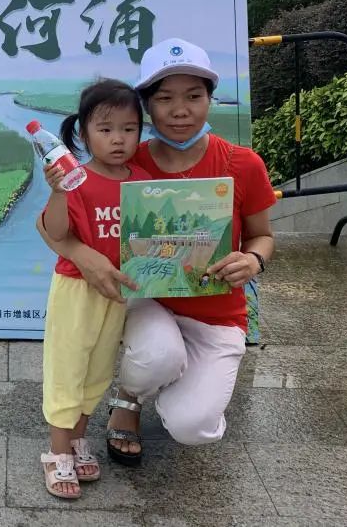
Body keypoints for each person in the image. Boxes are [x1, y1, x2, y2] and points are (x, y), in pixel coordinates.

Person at [38, 38, 276, 466]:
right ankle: (128, 399)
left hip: (218, 314)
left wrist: (253, 259)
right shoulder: (128, 159)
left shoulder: (243, 164)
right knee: (155, 358)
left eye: (194, 96)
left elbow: (263, 236)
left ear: (210, 99)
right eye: (165, 98)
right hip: (151, 302)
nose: (180, 110)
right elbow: (50, 228)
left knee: (192, 426)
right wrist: (84, 257)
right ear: (146, 106)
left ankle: (179, 385)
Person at [37, 79, 152, 500]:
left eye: (128, 128)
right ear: (84, 134)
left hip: (117, 294)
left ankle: (78, 441)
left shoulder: (143, 181)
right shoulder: (76, 180)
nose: (118, 139)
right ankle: (56, 453)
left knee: (98, 371)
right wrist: (56, 192)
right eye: (105, 129)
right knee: (67, 369)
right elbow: (56, 232)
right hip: (76, 290)